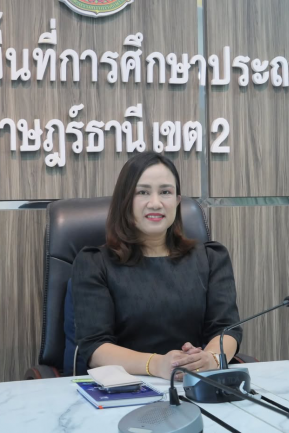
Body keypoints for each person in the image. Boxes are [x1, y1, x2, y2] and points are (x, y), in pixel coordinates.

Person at [71, 152, 242, 380]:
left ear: (177, 201)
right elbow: (95, 347)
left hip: (193, 384)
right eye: (142, 192)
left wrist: (211, 359)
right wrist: (157, 364)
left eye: (165, 192)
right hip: (125, 388)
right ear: (125, 201)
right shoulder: (94, 263)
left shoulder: (211, 259)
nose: (155, 203)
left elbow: (227, 329)